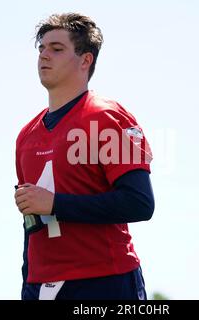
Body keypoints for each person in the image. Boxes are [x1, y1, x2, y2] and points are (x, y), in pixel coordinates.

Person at [14, 12, 155, 300]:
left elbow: (140, 203)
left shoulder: (105, 117)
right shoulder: (26, 135)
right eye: (41, 48)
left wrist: (55, 204)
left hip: (104, 281)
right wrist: (27, 282)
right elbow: (32, 224)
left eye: (56, 49)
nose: (44, 56)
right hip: (41, 285)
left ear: (85, 60)